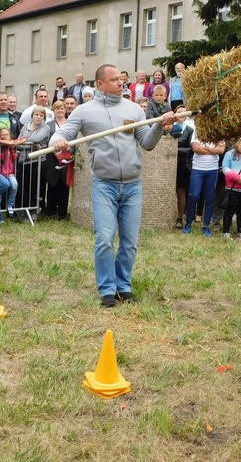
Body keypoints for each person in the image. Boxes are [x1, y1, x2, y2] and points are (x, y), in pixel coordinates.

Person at [50, 64, 178, 307]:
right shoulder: (85, 111)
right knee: (105, 239)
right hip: (104, 186)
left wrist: (160, 125)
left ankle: (124, 287)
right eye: (114, 80)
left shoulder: (133, 109)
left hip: (132, 186)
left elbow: (148, 143)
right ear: (100, 84)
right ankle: (107, 290)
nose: (120, 83)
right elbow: (63, 133)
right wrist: (58, 141)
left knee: (130, 242)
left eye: (121, 79)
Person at [184, 132, 226, 236]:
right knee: (194, 195)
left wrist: (205, 148)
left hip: (212, 170)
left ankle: (206, 226)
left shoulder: (219, 134)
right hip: (197, 169)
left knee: (210, 197)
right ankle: (188, 223)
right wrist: (213, 150)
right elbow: (196, 149)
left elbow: (221, 150)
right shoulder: (197, 132)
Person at [170, 104, 194, 229]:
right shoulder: (168, 128)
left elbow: (191, 149)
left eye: (184, 112)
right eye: (179, 112)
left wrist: (175, 149)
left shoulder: (190, 130)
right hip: (167, 164)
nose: (181, 114)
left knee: (180, 191)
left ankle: (179, 217)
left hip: (182, 164)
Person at [0, 128, 23, 216]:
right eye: (2, 134)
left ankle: (10, 205)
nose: (4, 136)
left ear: (10, 136)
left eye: (6, 134)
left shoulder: (12, 147)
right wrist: (8, 143)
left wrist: (13, 143)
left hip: (10, 172)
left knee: (14, 185)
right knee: (0, 192)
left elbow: (24, 138)